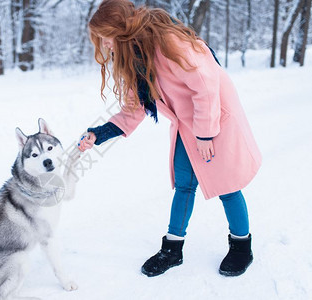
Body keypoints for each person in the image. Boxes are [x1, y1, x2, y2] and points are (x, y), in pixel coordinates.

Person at [77, 0, 262, 277]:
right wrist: (98, 134)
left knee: (227, 186)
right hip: (189, 126)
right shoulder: (135, 58)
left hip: (213, 120)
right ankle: (172, 250)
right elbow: (134, 108)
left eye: (105, 37)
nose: (105, 45)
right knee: (185, 185)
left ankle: (241, 247)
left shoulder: (168, 41)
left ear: (121, 31)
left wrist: (205, 133)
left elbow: (206, 82)